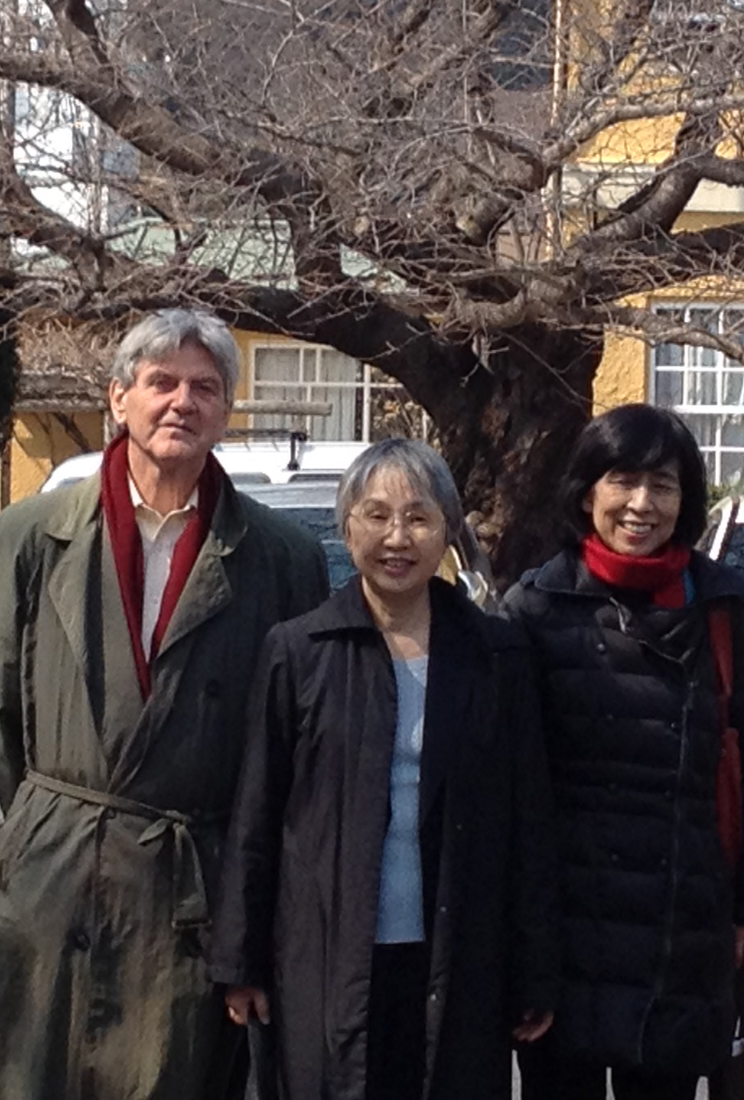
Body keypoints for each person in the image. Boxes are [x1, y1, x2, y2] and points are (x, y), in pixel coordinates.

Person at [0, 310, 330, 1100]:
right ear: (119, 399)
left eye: (205, 388)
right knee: (35, 1077)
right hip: (55, 873)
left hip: (191, 882)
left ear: (226, 410)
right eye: (160, 383)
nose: (181, 402)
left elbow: (290, 743)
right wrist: (40, 830)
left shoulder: (281, 557)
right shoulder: (34, 534)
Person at [210, 439, 559, 1100]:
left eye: (420, 518)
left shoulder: (495, 655)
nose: (397, 538)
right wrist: (240, 958)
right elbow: (257, 812)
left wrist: (536, 966)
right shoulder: (300, 651)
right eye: (376, 516)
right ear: (347, 528)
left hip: (459, 953)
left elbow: (528, 822)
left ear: (449, 534)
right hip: (326, 953)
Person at [505, 404, 744, 1100]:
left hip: (685, 929)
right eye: (623, 481)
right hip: (566, 932)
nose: (642, 504)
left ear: (686, 499)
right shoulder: (534, 608)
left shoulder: (723, 611)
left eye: (663, 485)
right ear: (587, 493)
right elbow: (508, 787)